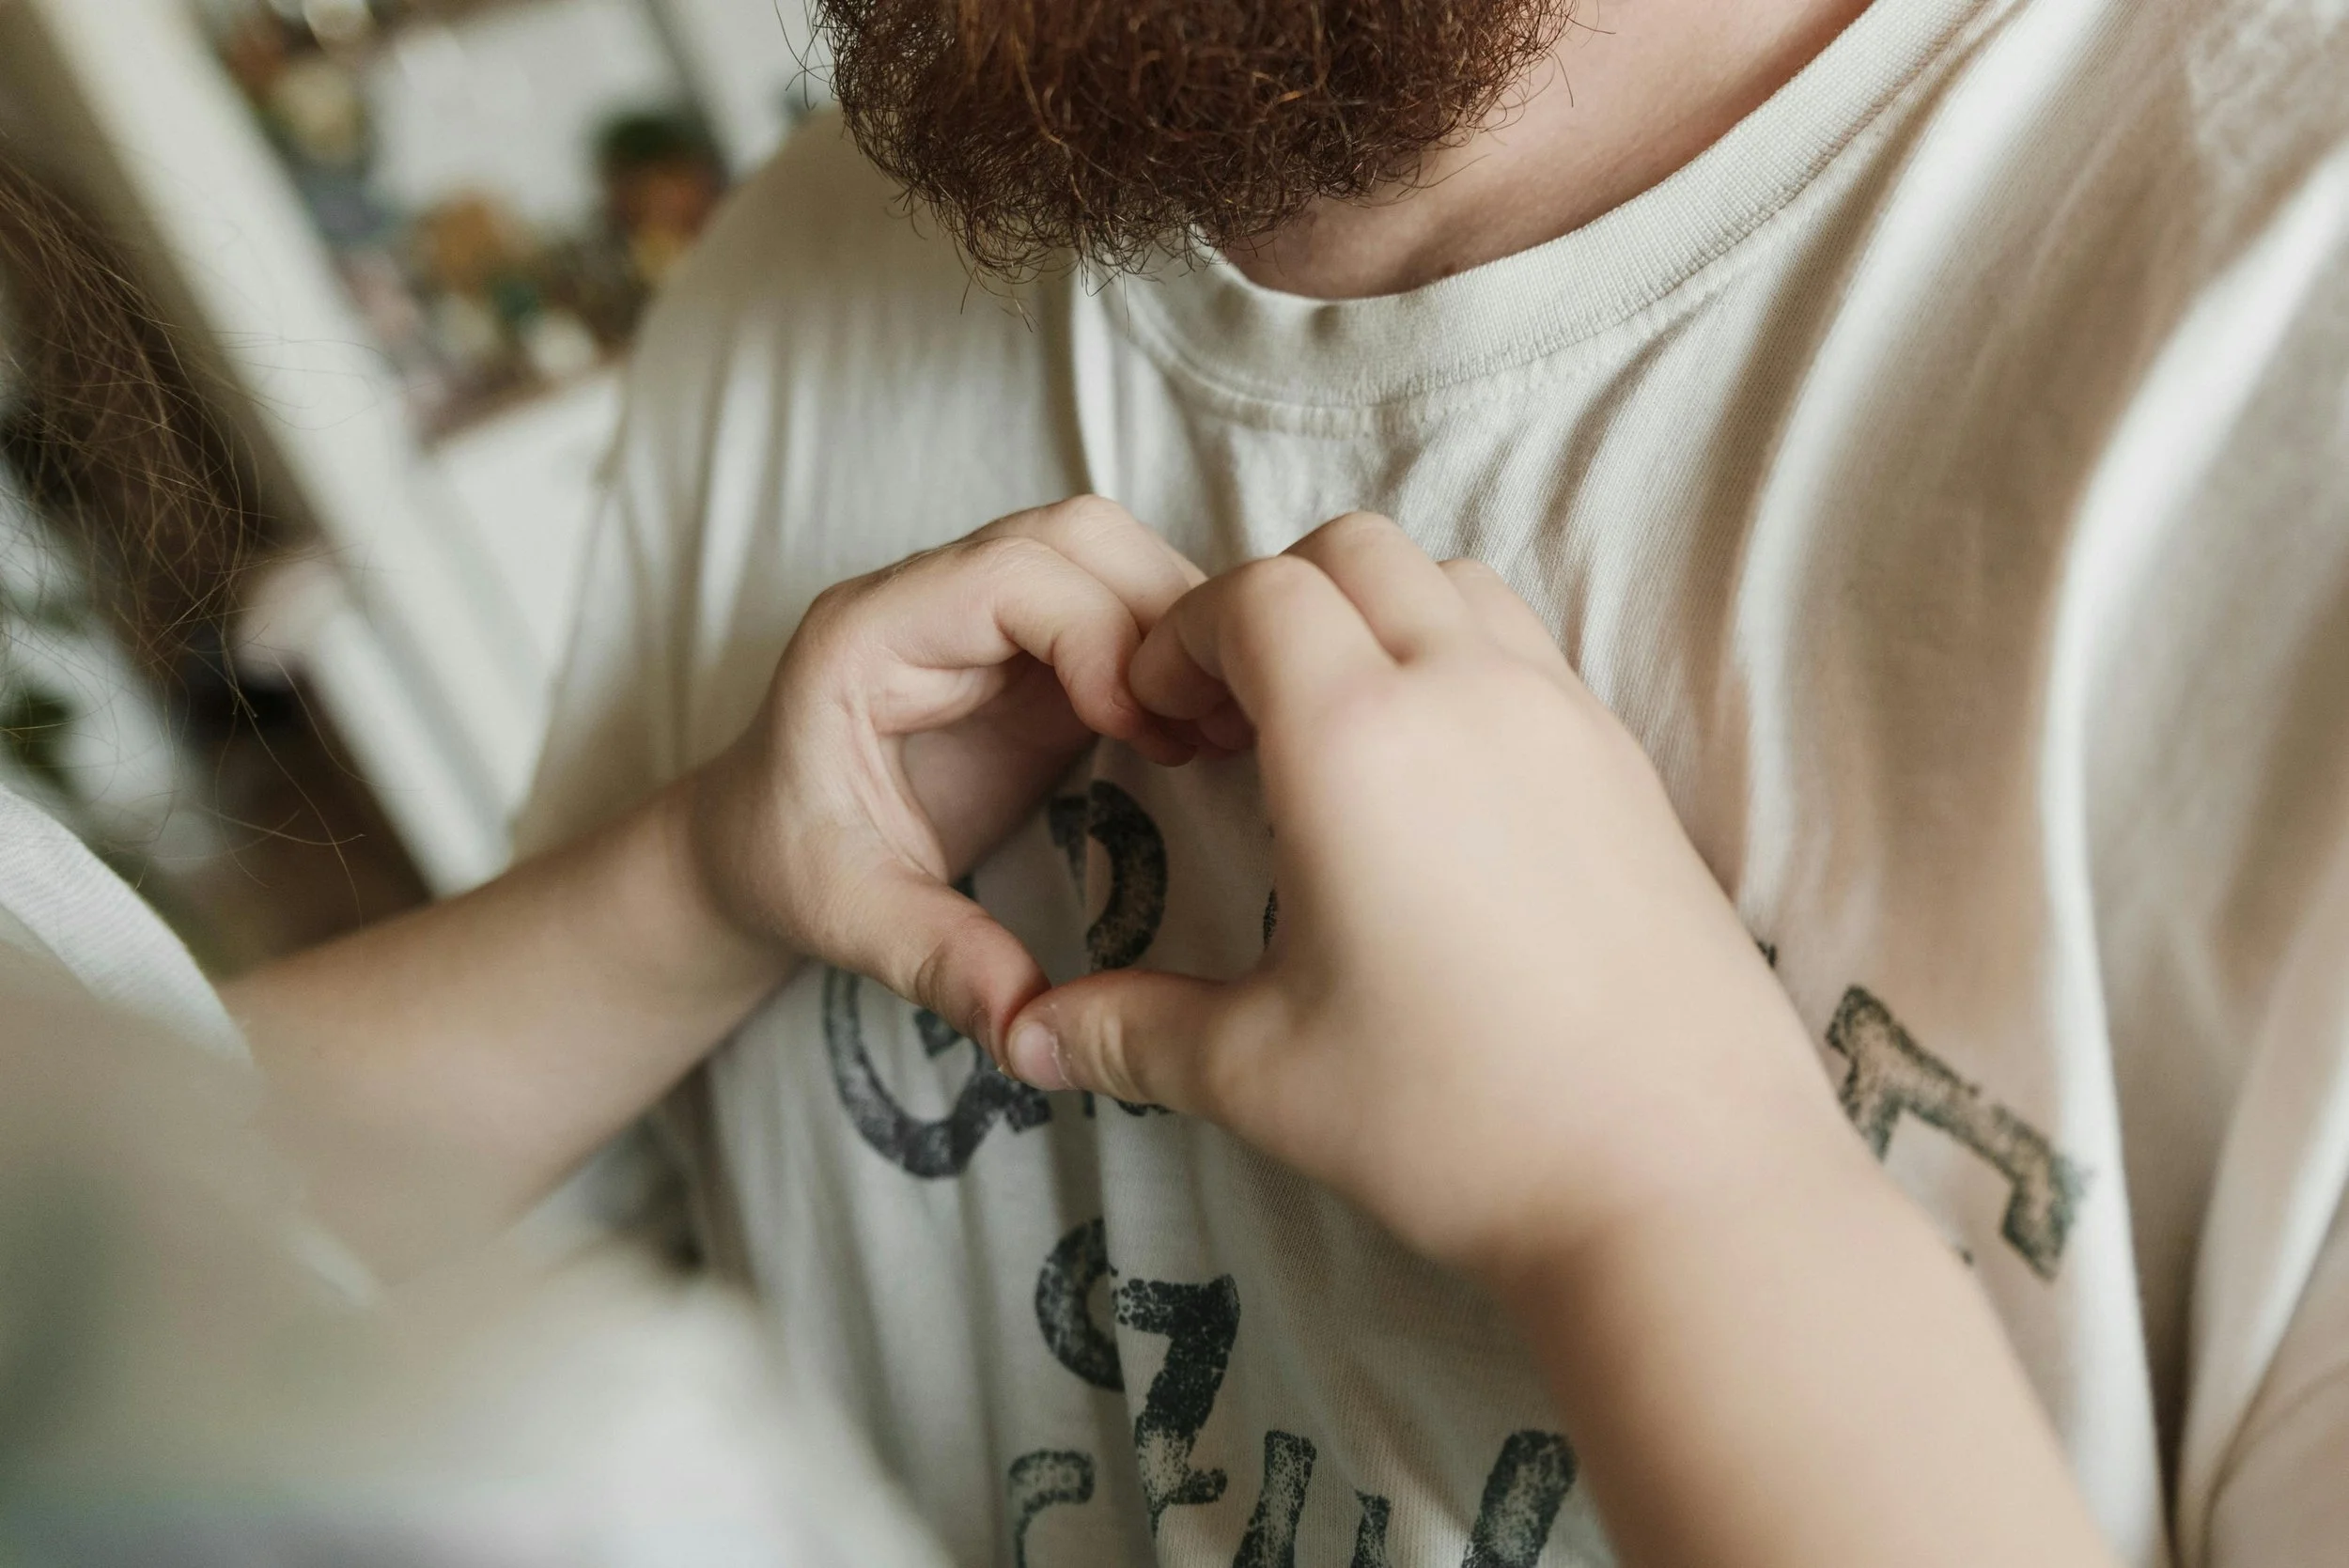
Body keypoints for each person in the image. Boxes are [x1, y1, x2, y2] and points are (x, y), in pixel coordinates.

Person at [8, 4, 2346, 1568]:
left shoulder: (2273, 337)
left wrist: (1677, 1194)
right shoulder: (809, 265)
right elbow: (171, 1289)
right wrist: (701, 876)